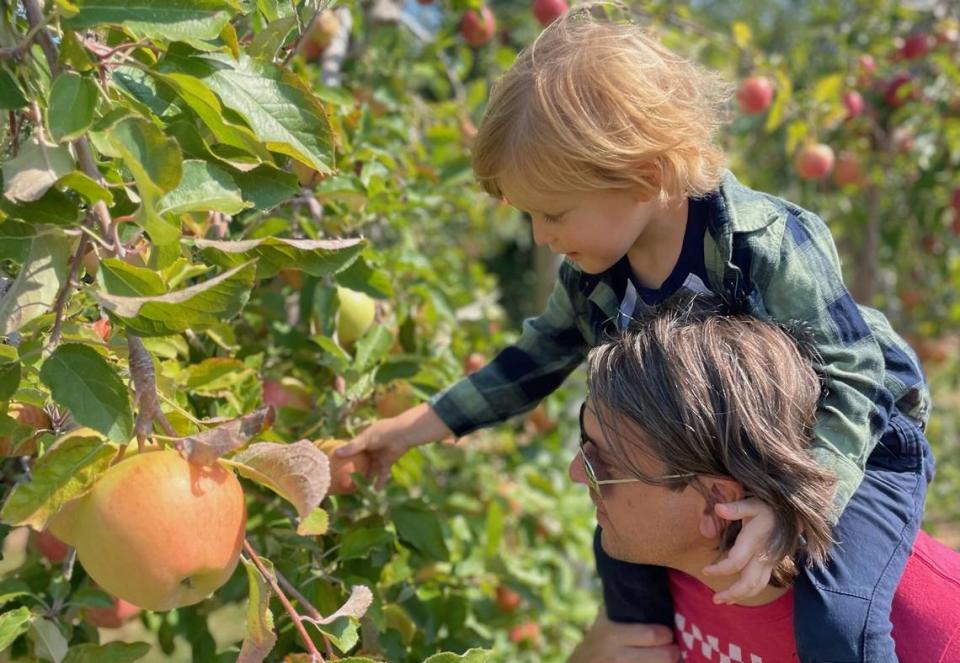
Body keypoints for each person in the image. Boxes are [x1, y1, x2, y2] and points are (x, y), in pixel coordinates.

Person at [334, 4, 933, 660]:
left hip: (857, 441)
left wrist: (796, 503)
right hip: (738, 454)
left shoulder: (764, 244)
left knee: (837, 624)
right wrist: (413, 426)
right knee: (622, 554)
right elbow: (531, 361)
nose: (540, 235)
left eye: (553, 212)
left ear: (646, 175)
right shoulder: (597, 274)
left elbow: (853, 375)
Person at [565, 294, 952, 663]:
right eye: (585, 445)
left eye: (606, 467)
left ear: (720, 500)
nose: (575, 473)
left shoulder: (935, 637)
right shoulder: (657, 576)